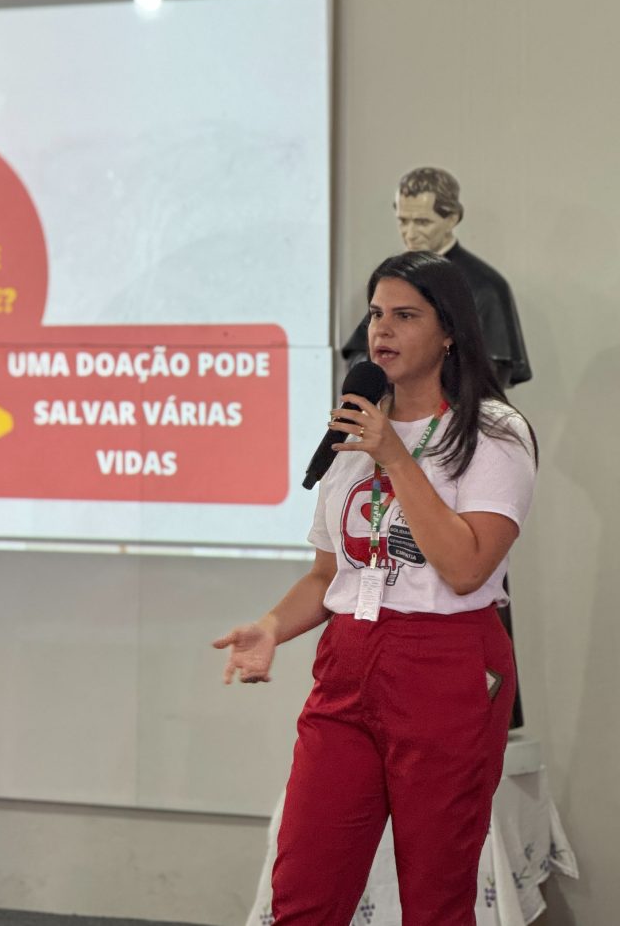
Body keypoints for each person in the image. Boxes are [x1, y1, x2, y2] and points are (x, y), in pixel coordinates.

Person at [214, 251, 537, 925]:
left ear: (449, 333)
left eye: (405, 315)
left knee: (436, 898)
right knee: (304, 888)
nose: (382, 330)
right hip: (348, 664)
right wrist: (271, 626)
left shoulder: (493, 431)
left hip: (447, 667)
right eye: (376, 314)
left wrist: (393, 454)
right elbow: (328, 574)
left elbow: (467, 567)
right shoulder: (355, 428)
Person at [342, 166, 532, 389]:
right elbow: (359, 355)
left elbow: (490, 374)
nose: (410, 234)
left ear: (451, 219)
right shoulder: (396, 279)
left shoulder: (485, 286)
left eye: (422, 222)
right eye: (403, 221)